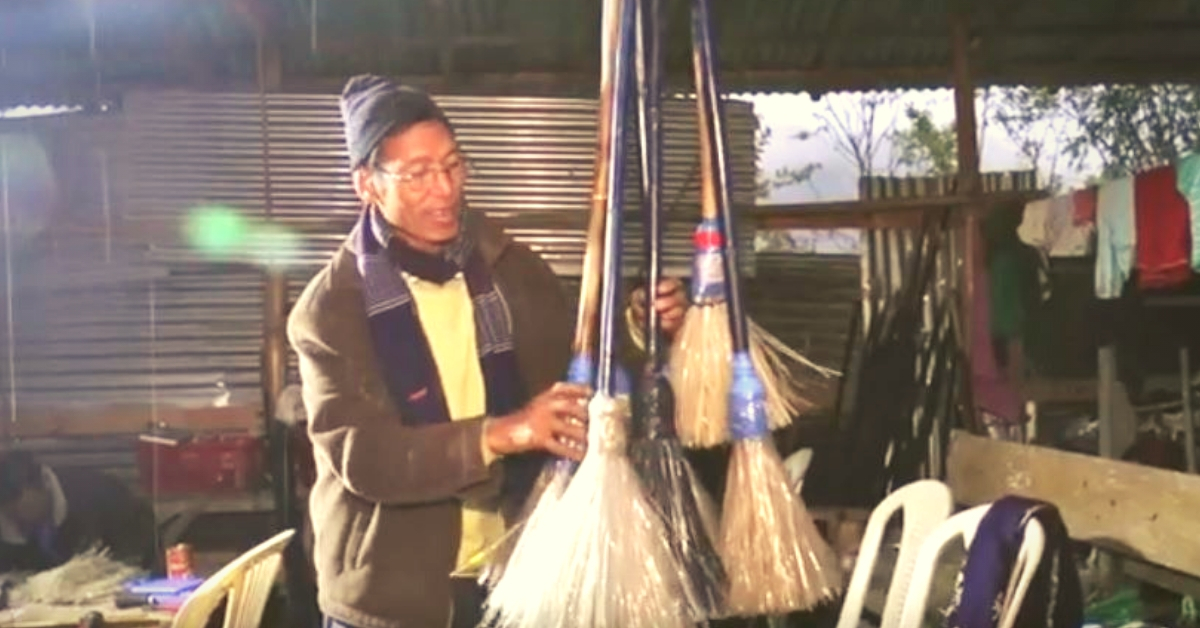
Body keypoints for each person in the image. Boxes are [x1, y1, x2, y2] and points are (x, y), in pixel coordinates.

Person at [288, 74, 687, 628]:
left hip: (518, 576)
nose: (445, 189)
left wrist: (640, 327)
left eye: (453, 166)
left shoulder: (510, 269)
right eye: (419, 174)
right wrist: (502, 433)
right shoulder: (331, 309)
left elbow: (576, 368)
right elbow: (365, 458)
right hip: (392, 597)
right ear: (368, 185)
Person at [0, 451, 159, 574]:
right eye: (9, 511)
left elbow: (141, 553)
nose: (18, 516)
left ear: (42, 483)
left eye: (20, 505)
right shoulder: (10, 527)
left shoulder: (99, 494)